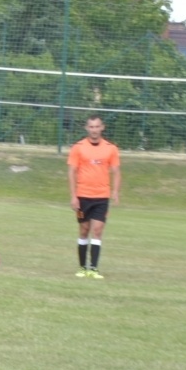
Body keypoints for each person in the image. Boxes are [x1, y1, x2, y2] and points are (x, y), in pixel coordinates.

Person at [68, 114, 120, 279]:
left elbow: (117, 171)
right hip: (83, 196)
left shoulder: (111, 148)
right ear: (87, 128)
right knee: (84, 230)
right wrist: (73, 196)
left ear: (102, 127)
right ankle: (83, 267)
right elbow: (72, 172)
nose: (94, 130)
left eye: (97, 126)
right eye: (91, 127)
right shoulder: (78, 147)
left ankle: (94, 269)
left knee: (97, 231)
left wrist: (115, 191)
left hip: (101, 197)